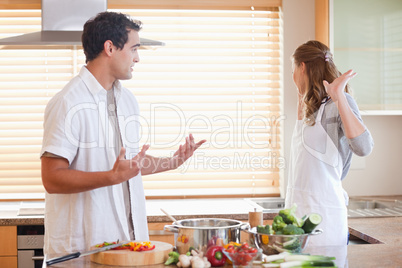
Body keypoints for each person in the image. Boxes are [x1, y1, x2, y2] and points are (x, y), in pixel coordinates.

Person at [40, 11, 206, 255]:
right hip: (84, 249)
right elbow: (52, 178)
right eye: (134, 49)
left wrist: (173, 162)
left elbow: (127, 166)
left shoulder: (126, 100)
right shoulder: (68, 102)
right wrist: (111, 177)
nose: (137, 58)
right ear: (110, 48)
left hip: (128, 246)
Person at [285, 40, 374, 246]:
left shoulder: (338, 103)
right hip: (297, 214)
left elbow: (364, 147)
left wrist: (339, 97)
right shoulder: (309, 106)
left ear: (302, 67)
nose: (292, 77)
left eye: (293, 69)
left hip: (324, 215)